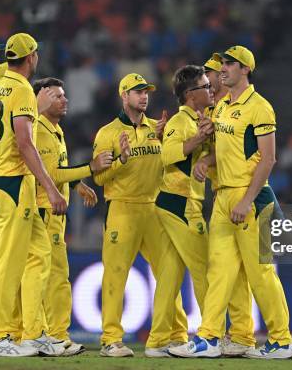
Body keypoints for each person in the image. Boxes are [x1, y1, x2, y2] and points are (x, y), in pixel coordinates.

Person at [170, 46, 292, 359]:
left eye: (229, 64)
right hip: (223, 196)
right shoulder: (223, 106)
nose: (222, 69)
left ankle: (282, 341)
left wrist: (246, 200)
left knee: (261, 273)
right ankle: (209, 337)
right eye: (222, 64)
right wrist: (207, 160)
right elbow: (232, 149)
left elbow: (268, 159)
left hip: (250, 197)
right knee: (220, 271)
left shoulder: (260, 107)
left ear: (245, 69)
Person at [0, 33, 68, 357]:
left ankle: (33, 333)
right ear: (32, 57)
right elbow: (25, 143)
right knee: (9, 262)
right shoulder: (22, 91)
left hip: (3, 179)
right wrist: (51, 188)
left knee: (38, 254)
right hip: (17, 184)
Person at [92, 73, 188, 357]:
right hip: (122, 208)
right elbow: (98, 179)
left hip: (154, 207)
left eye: (145, 91)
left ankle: (176, 335)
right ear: (124, 96)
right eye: (137, 92)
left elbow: (166, 165)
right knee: (115, 275)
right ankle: (111, 339)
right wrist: (121, 159)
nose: (143, 96)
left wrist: (164, 140)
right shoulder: (107, 133)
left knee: (169, 272)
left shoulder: (157, 129)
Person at [32, 77, 113, 356]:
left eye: (64, 95)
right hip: (44, 209)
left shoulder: (55, 129)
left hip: (54, 211)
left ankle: (54, 334)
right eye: (57, 96)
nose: (64, 100)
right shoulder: (39, 129)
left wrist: (77, 184)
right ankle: (50, 335)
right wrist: (89, 167)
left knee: (56, 277)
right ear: (41, 99)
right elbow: (50, 174)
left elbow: (58, 167)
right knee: (51, 277)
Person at [144, 65, 214, 357]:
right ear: (189, 94)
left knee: (170, 275)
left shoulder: (197, 119)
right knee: (204, 271)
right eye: (205, 86)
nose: (210, 89)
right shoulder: (179, 122)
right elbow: (167, 155)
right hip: (181, 203)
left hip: (175, 202)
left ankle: (158, 341)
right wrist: (199, 139)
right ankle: (212, 336)